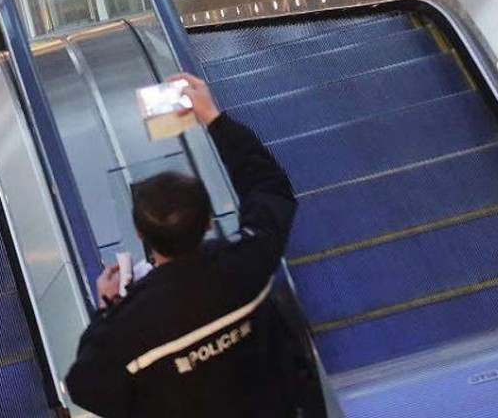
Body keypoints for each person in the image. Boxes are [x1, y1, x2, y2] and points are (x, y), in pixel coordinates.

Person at [66, 74, 320, 417]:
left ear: (141, 235)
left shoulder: (129, 327)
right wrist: (214, 118)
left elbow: (84, 387)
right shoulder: (246, 260)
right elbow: (269, 189)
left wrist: (108, 309)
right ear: (209, 223)